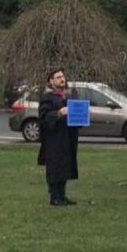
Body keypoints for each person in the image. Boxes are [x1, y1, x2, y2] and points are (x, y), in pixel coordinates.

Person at [37, 68, 79, 206]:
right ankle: (54, 196)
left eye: (63, 76)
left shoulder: (67, 96)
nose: (62, 79)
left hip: (67, 137)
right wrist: (58, 114)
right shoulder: (47, 98)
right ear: (51, 81)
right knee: (55, 167)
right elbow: (43, 118)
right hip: (53, 139)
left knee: (65, 166)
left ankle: (62, 195)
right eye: (58, 77)